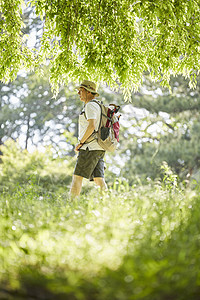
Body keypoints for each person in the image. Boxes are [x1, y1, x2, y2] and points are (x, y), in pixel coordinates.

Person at [70, 80, 107, 197]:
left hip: (89, 148)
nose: (78, 93)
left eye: (80, 91)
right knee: (98, 179)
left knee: (77, 177)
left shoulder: (90, 105)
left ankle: (71, 204)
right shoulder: (98, 106)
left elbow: (91, 126)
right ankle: (107, 203)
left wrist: (80, 143)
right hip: (99, 148)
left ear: (88, 92)